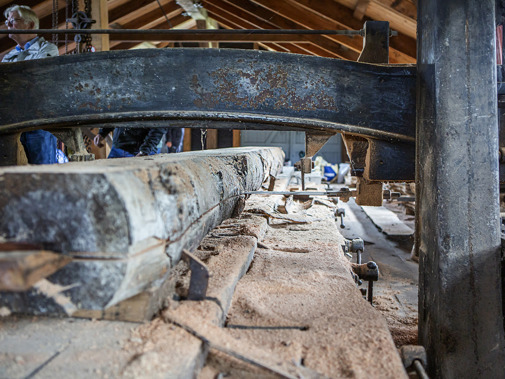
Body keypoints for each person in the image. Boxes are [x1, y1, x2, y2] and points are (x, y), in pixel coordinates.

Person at [2, 5, 59, 164]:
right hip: (14, 120)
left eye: (13, 20)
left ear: (30, 25)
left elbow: (36, 77)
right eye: (7, 21)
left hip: (38, 118)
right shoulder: (9, 56)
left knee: (43, 167)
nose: (8, 25)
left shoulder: (48, 49)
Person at [94, 127, 165, 158]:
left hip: (139, 151)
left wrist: (144, 151)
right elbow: (114, 113)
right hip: (118, 148)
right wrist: (102, 132)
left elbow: (158, 129)